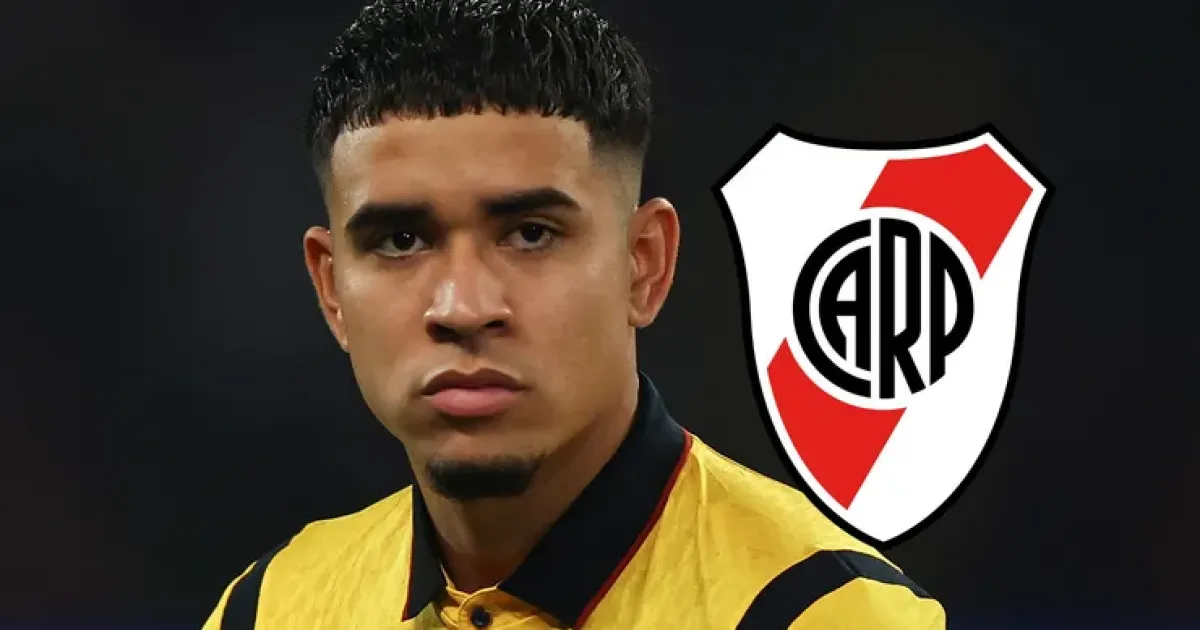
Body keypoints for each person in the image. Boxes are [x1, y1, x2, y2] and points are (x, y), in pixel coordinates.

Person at [201, 0, 947, 628]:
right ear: (331, 288)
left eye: (531, 234)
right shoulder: (269, 609)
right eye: (401, 241)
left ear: (643, 264)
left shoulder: (823, 613)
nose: (464, 307)